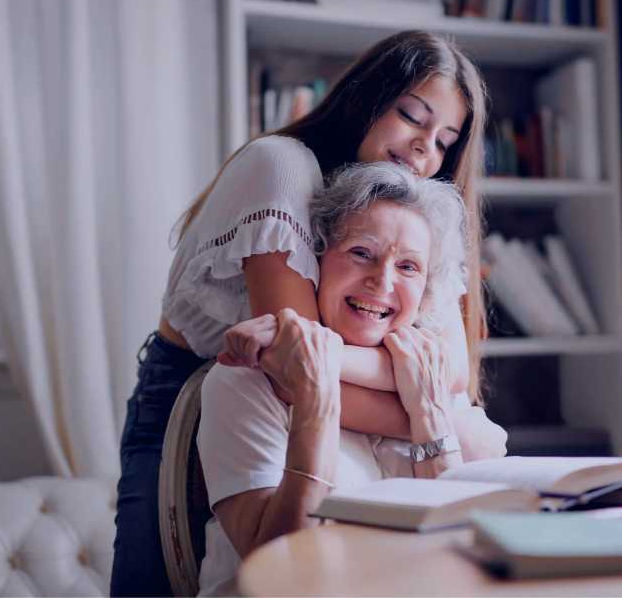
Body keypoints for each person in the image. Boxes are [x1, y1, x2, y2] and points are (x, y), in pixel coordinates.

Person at [111, 30, 506, 597]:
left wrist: (431, 396)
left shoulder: (411, 211)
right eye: (412, 117)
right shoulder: (281, 166)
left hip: (307, 397)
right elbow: (303, 371)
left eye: (445, 140)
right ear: (366, 99)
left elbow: (451, 371)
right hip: (196, 395)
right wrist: (429, 407)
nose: (425, 150)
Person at [198, 162, 489, 595]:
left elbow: (462, 550)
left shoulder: (423, 375)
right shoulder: (244, 382)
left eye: (408, 267)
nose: (382, 280)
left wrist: (429, 413)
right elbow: (287, 571)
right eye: (361, 253)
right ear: (316, 259)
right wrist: (314, 404)